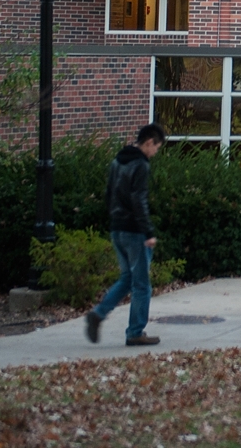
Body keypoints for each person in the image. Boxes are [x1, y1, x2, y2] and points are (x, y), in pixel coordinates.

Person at [85, 122, 166, 346]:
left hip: (117, 228)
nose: (155, 153)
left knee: (127, 278)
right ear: (149, 142)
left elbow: (108, 194)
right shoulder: (141, 165)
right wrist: (147, 231)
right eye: (156, 148)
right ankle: (135, 332)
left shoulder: (117, 161)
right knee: (142, 285)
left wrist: (115, 220)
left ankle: (99, 313)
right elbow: (139, 200)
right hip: (135, 232)